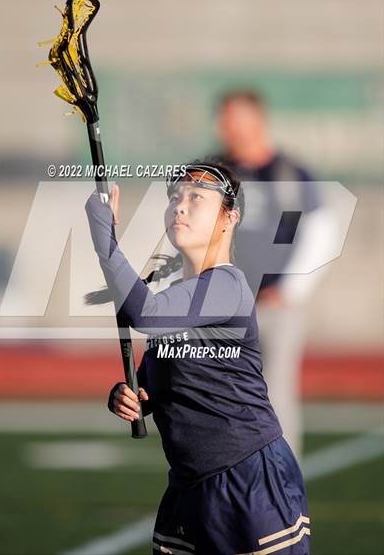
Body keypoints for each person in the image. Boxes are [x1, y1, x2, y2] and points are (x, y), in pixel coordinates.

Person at [85, 162, 310, 555]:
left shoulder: (227, 284)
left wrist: (104, 237)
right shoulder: (178, 298)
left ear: (230, 217)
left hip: (248, 479)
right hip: (189, 485)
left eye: (196, 198)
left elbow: (145, 315)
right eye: (175, 196)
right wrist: (128, 395)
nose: (180, 205)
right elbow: (151, 387)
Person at [216, 90, 336, 458]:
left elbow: (320, 232)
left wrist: (290, 289)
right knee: (221, 394)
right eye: (225, 120)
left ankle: (282, 479)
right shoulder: (217, 172)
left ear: (258, 120)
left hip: (274, 306)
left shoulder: (288, 174)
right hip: (226, 305)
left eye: (236, 119)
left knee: (276, 393)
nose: (227, 128)